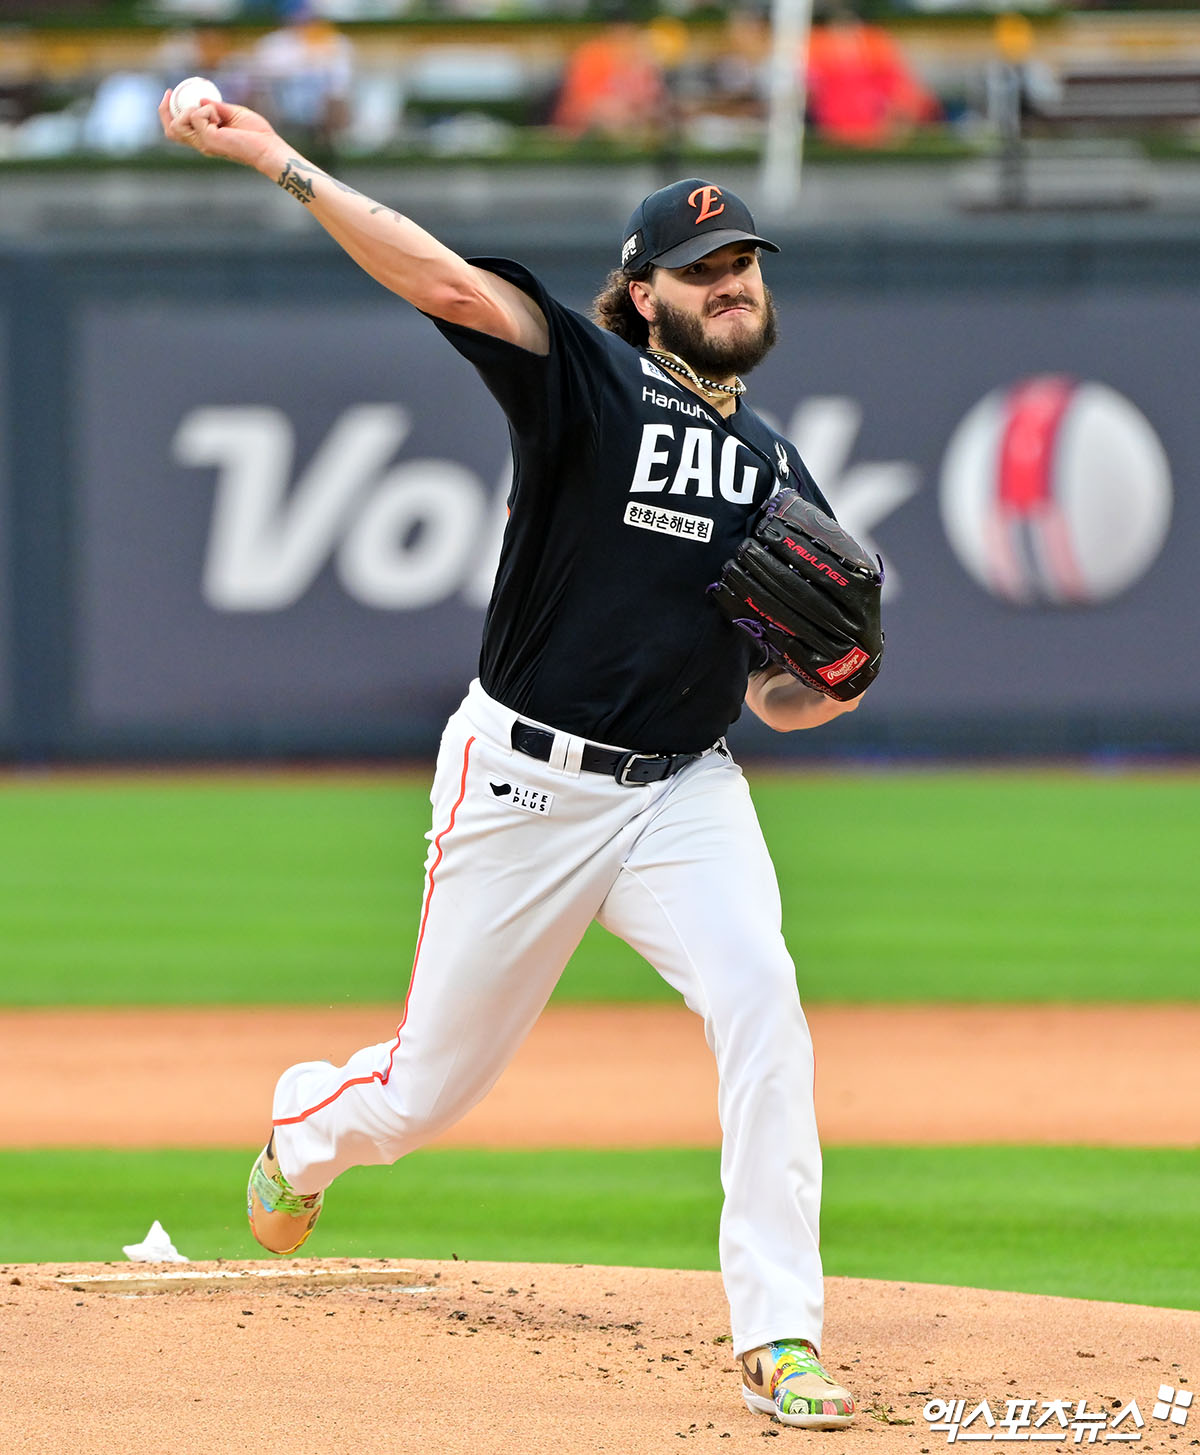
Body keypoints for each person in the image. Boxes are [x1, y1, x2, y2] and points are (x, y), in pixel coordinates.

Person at [160, 86, 863, 1432]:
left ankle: (780, 1333)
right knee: (427, 1091)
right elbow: (435, 275)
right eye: (702, 269)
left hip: (681, 794)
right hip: (524, 786)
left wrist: (823, 690)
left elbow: (779, 696)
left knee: (763, 1002)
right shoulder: (585, 383)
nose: (731, 283)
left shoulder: (780, 472)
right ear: (643, 293)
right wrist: (280, 161)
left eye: (746, 264)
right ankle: (304, 1134)